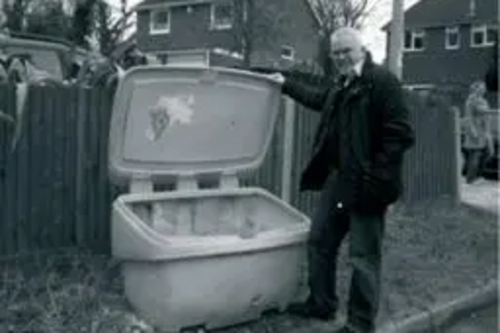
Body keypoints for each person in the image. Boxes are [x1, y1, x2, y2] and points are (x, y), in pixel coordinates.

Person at [269, 27, 415, 333]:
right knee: (320, 240)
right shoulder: (342, 84)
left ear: (361, 48)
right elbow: (318, 97)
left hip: (367, 184)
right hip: (339, 181)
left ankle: (360, 324)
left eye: (346, 51)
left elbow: (399, 135)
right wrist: (285, 85)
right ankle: (321, 303)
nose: (340, 58)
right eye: (335, 53)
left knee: (363, 256)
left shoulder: (382, 83)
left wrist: (377, 180)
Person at [462, 81, 495, 184]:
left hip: (485, 132)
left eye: (484, 88)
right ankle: (471, 179)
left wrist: (488, 132)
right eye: (481, 87)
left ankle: (476, 175)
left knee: (489, 153)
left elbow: (486, 114)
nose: (484, 89)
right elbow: (469, 118)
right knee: (475, 155)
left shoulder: (484, 101)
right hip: (476, 131)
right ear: (475, 89)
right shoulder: (471, 101)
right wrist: (473, 132)